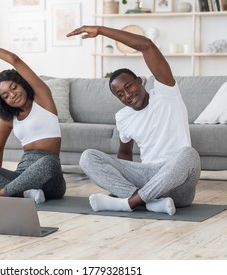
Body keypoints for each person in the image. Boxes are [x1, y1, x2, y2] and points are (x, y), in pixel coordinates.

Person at [67, 26, 201, 215]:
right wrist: (121, 181)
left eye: (128, 87)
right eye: (120, 94)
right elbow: (124, 154)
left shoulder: (167, 92)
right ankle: (146, 201)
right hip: (147, 176)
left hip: (178, 183)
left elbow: (146, 46)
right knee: (87, 157)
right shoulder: (122, 117)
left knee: (189, 154)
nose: (127, 95)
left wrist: (100, 30)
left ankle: (130, 203)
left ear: (139, 80)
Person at [0, 44, 66, 204]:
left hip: (50, 177)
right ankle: (22, 193)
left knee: (48, 162)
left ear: (22, 83)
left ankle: (0, 194)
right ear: (4, 101)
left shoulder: (43, 99)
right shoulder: (10, 118)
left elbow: (15, 60)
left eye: (14, 87)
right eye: (6, 95)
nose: (12, 95)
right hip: (22, 176)